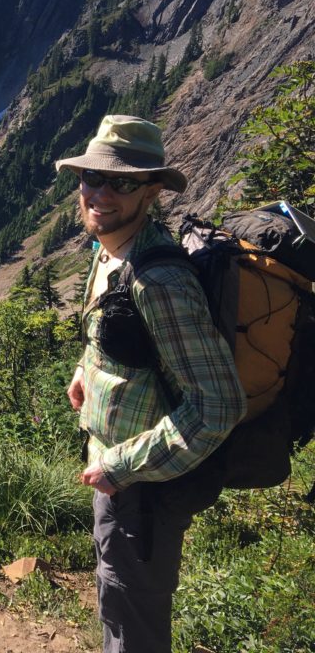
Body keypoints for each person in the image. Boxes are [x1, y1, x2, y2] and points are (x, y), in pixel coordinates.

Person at [56, 115, 246, 653]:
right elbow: (117, 332)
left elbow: (217, 406)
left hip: (143, 488)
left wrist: (117, 468)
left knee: (132, 619)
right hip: (121, 478)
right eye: (92, 178)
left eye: (122, 182)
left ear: (153, 190)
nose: (100, 193)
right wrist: (85, 369)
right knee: (118, 604)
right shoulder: (111, 249)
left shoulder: (159, 280)